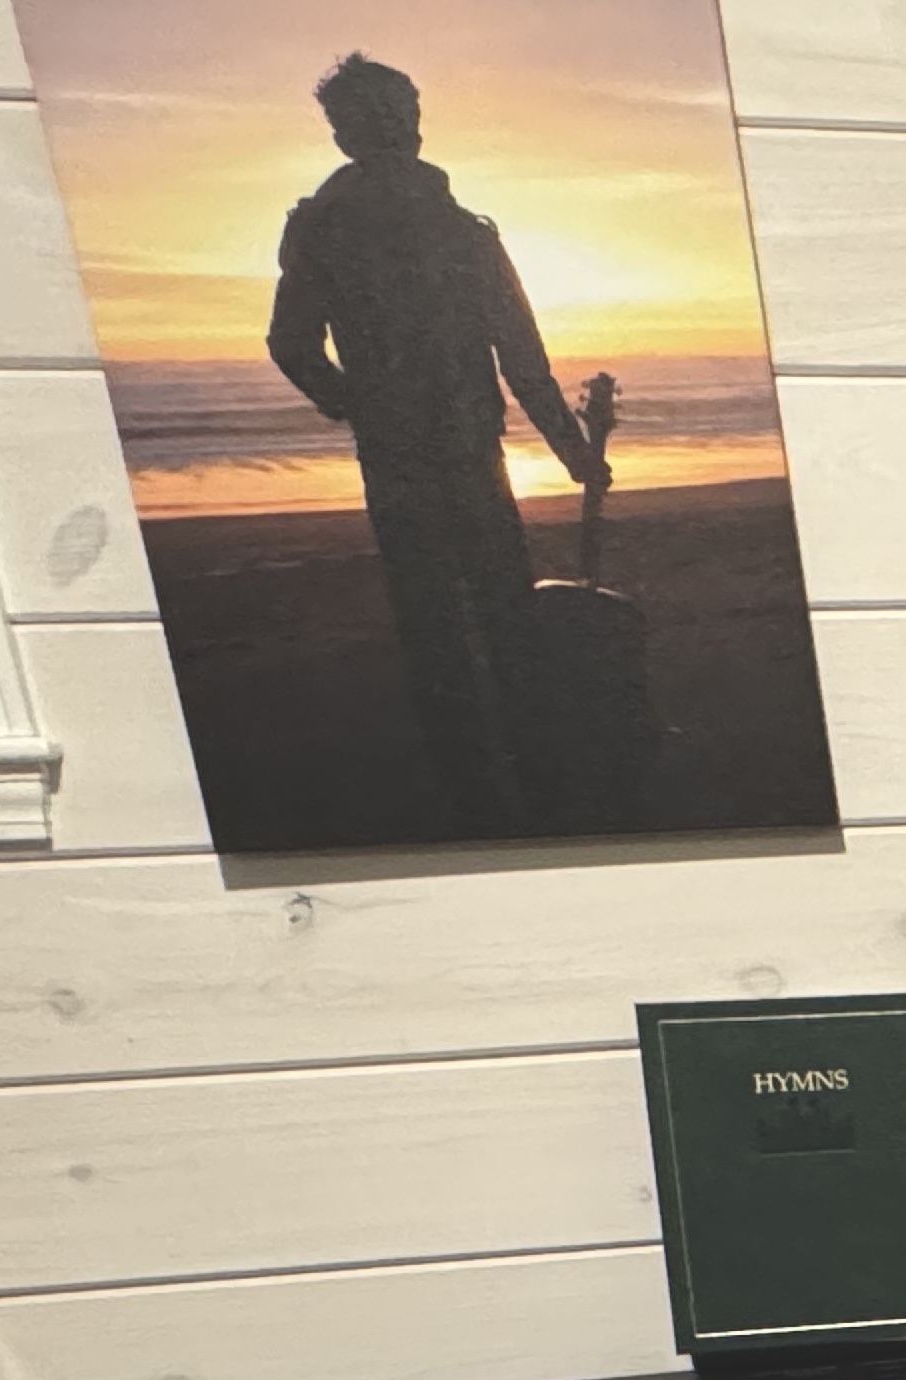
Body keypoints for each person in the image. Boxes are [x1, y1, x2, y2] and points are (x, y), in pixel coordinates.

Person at [265, 51, 604, 834]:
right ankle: (508, 778)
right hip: (434, 453)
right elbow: (523, 358)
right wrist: (573, 451)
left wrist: (353, 403)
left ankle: (496, 780)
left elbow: (293, 345)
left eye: (399, 113)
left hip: (437, 451)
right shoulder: (385, 230)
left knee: (451, 622)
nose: (396, 129)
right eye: (379, 116)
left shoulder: (419, 229)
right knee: (475, 616)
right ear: (348, 132)